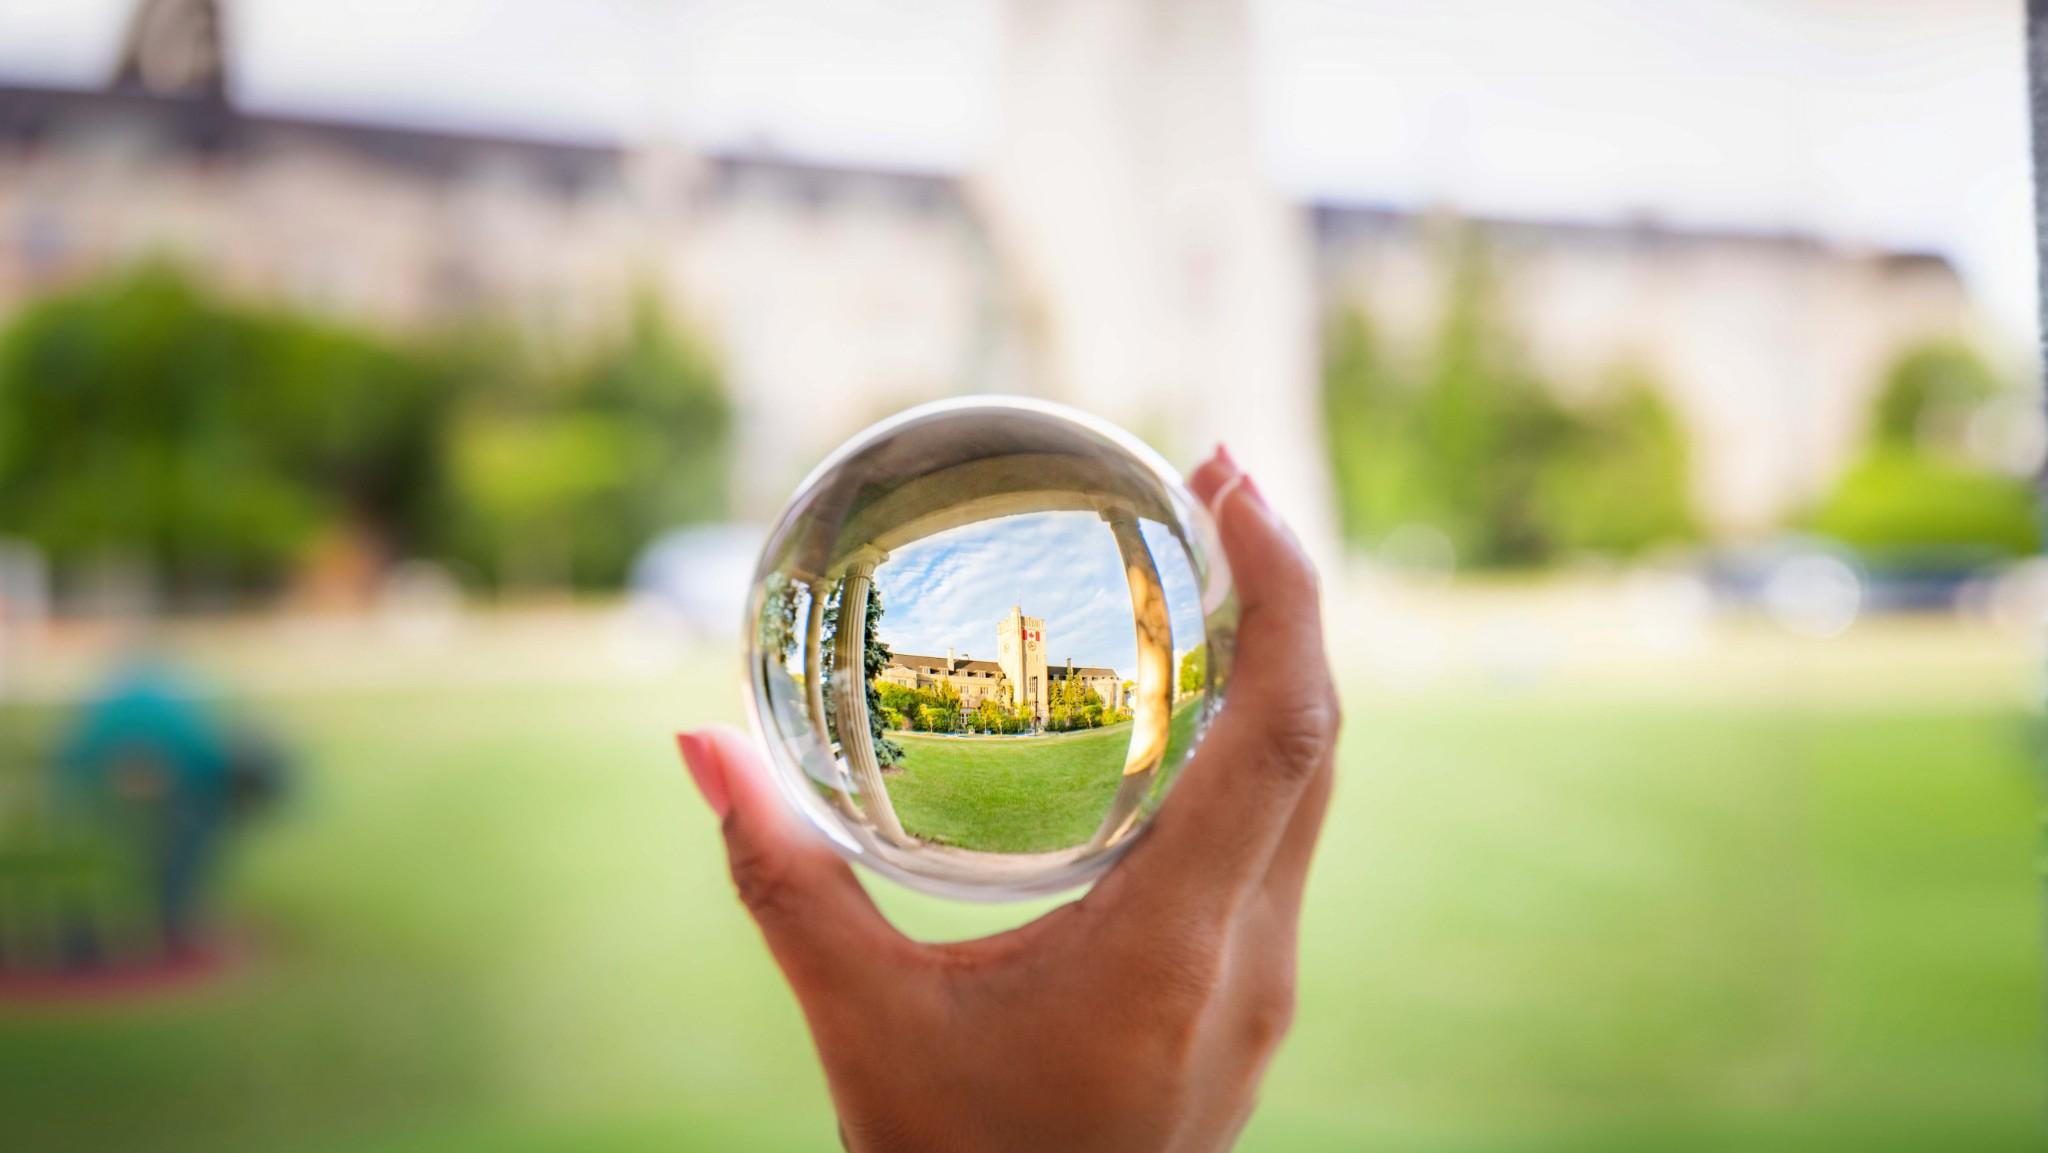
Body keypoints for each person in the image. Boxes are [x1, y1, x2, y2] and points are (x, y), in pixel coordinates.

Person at [678, 446, 1340, 1151]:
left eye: (1025, 636)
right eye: (1018, 637)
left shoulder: (1060, 667)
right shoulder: (960, 665)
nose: (1022, 643)